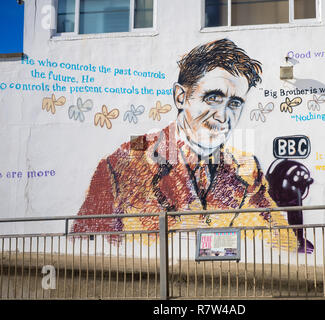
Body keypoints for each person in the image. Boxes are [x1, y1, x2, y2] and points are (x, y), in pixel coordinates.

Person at [72, 39, 298, 251]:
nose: (223, 116)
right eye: (213, 98)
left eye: (235, 103)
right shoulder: (124, 162)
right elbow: (85, 249)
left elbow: (284, 244)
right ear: (180, 97)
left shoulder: (246, 168)